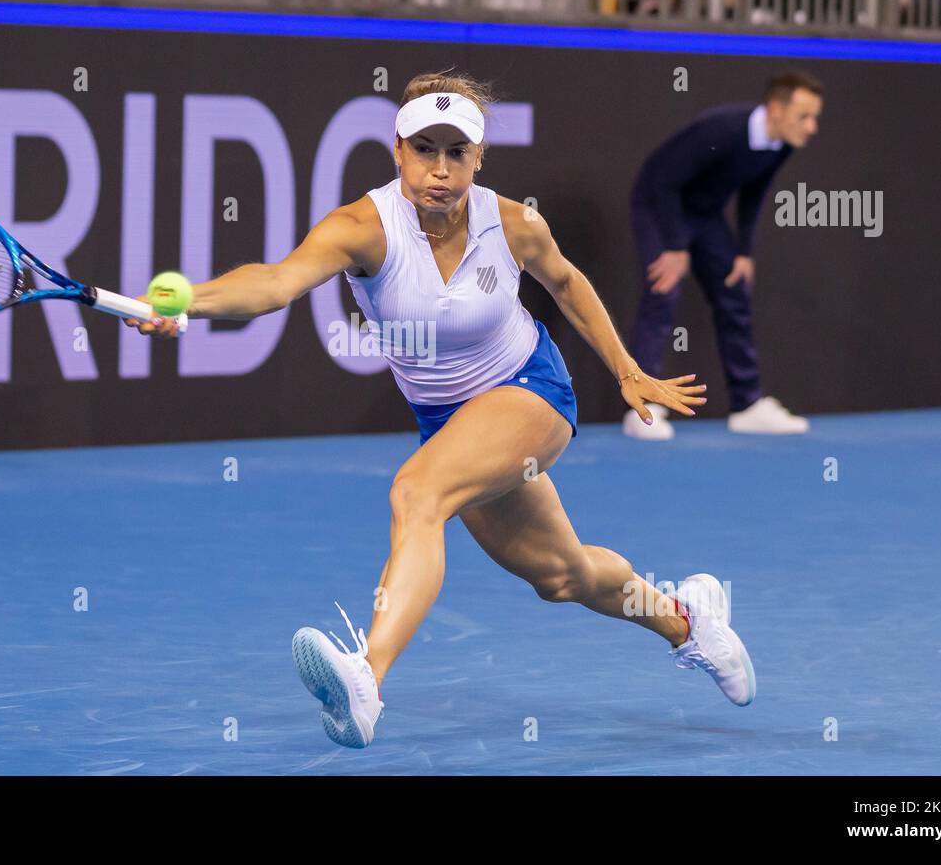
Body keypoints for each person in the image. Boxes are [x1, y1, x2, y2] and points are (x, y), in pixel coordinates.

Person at [125, 71, 755, 748]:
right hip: (450, 422)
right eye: (425, 149)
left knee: (416, 492)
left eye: (457, 153)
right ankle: (690, 623)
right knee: (561, 575)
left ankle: (366, 679)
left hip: (530, 392)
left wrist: (627, 371)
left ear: (479, 159)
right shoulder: (362, 229)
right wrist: (189, 299)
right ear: (397, 149)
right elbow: (275, 283)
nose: (440, 169)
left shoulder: (514, 224)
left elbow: (567, 284)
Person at [626, 70, 822, 441]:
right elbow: (663, 181)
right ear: (776, 110)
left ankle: (746, 406)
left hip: (704, 214)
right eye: (804, 116)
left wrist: (744, 251)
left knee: (734, 291)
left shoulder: (782, 142)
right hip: (658, 203)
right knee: (663, 293)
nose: (812, 127)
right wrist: (675, 247)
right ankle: (644, 405)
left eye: (815, 117)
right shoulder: (722, 129)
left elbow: (754, 192)